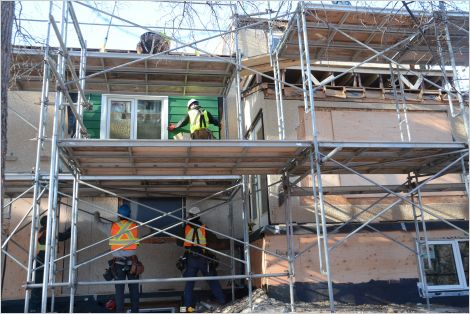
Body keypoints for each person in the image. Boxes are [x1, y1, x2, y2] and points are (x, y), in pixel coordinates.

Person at [177, 207, 226, 312]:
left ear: (190, 215)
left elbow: (178, 242)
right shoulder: (204, 228)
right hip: (203, 258)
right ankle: (222, 302)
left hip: (190, 258)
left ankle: (186, 308)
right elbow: (214, 240)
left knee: (189, 284)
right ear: (198, 216)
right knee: (212, 281)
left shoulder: (185, 228)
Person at [94, 204, 141, 313]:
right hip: (133, 264)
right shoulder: (135, 227)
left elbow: (97, 223)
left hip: (118, 265)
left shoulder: (112, 227)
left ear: (119, 215)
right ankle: (135, 311)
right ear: (129, 215)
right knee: (134, 291)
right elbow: (148, 230)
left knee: (119, 292)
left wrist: (96, 214)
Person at [30, 215, 71, 312]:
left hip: (41, 259)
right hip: (42, 260)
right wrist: (72, 230)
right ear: (48, 223)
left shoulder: (42, 231)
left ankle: (37, 308)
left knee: (40, 285)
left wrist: (69, 230)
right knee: (39, 285)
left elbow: (59, 236)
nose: (54, 224)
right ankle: (35, 309)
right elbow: (61, 237)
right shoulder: (47, 232)